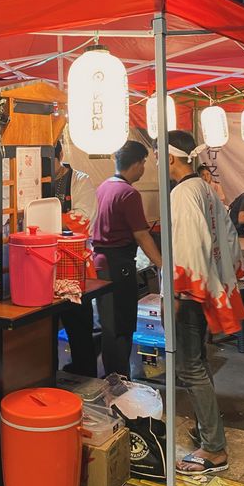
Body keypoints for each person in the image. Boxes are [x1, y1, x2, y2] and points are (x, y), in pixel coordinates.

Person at [164, 130, 244, 476]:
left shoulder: (183, 193)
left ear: (170, 159)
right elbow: (229, 236)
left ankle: (213, 450)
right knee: (198, 362)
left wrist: (182, 293)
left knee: (189, 367)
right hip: (208, 284)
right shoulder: (205, 189)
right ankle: (207, 430)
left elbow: (188, 244)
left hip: (191, 291)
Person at [92, 140, 163, 377]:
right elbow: (142, 235)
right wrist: (162, 265)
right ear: (137, 164)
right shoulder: (129, 193)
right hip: (118, 265)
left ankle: (113, 378)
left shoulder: (104, 186)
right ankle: (118, 382)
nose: (144, 168)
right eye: (143, 162)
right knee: (120, 326)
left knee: (109, 323)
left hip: (100, 263)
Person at [54, 140, 99, 377]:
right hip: (43, 267)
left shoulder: (79, 180)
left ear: (60, 154)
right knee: (44, 329)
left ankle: (86, 375)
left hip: (72, 265)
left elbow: (83, 219)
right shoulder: (31, 179)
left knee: (79, 326)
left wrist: (44, 218)